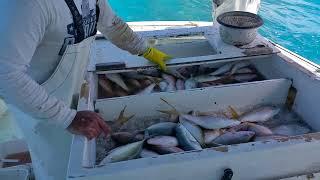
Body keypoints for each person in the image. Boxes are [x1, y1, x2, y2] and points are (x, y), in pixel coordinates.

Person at [0, 0, 171, 179]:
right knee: (56, 166)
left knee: (76, 164)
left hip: (75, 94)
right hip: (41, 108)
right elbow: (5, 75)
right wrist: (67, 118)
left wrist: (147, 50)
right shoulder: (26, 6)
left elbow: (111, 24)